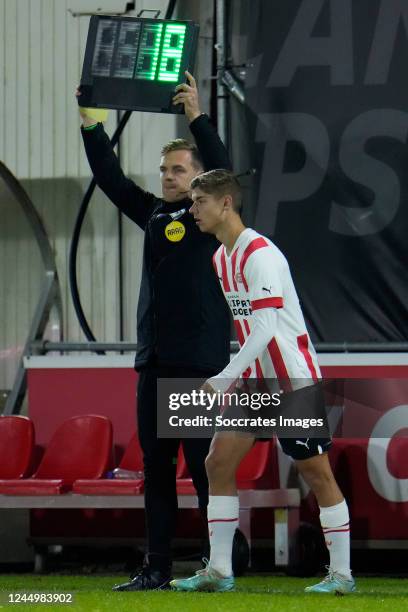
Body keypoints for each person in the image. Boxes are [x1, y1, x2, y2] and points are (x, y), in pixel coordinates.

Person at [77, 74, 231, 591]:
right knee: (158, 471)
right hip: (155, 363)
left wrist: (196, 116)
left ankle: (220, 561)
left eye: (179, 170)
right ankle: (158, 568)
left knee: (204, 468)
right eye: (165, 169)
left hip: (198, 365)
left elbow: (222, 167)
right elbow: (113, 181)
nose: (168, 177)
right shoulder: (152, 214)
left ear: (200, 179)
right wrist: (92, 126)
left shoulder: (210, 219)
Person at [170, 169, 355, 595]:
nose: (192, 209)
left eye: (200, 201)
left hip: (291, 379)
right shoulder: (220, 258)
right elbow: (247, 325)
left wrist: (223, 378)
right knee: (217, 462)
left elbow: (267, 328)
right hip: (255, 382)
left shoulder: (260, 255)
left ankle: (342, 576)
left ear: (226, 204)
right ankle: (219, 570)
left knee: (316, 473)